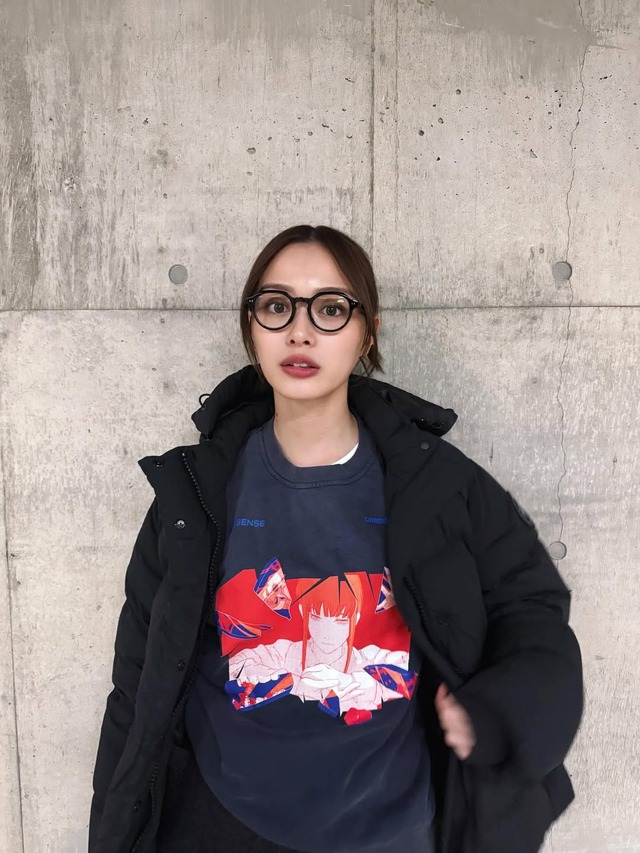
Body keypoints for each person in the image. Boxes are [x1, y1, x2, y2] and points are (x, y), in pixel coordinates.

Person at [89, 224, 583, 853]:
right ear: (251, 328)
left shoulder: (438, 485)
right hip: (221, 822)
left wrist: (500, 712)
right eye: (277, 306)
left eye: (329, 309)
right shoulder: (195, 495)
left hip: (392, 827)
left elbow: (530, 606)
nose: (300, 332)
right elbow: (137, 686)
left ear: (366, 332)